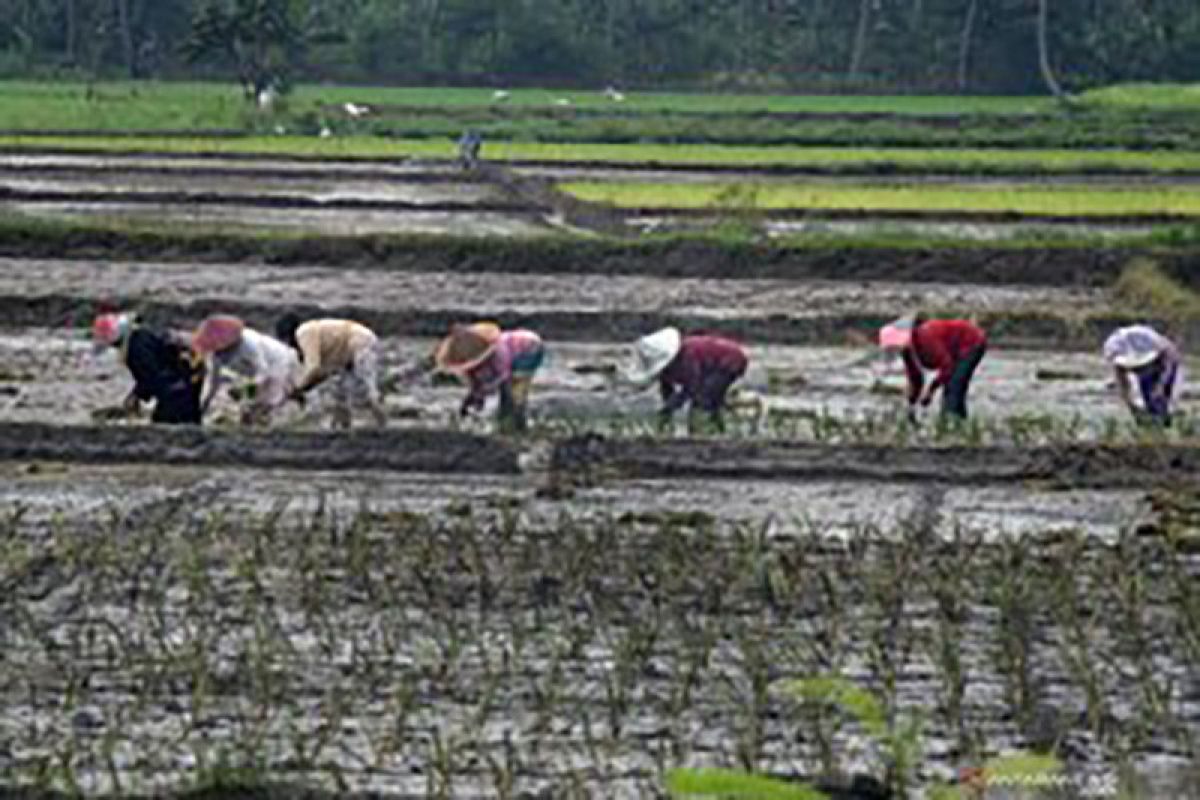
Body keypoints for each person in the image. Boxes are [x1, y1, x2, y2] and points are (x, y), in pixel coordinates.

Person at [624, 327, 749, 433]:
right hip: (712, 368)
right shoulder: (666, 370)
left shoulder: (687, 356)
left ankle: (705, 430)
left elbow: (692, 386)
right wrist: (667, 411)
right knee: (710, 399)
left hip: (730, 361)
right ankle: (719, 426)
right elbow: (667, 390)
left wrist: (671, 407)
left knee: (703, 400)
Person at [275, 313, 387, 429]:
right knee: (341, 393)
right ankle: (344, 427)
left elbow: (313, 368)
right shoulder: (316, 339)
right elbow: (322, 374)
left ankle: (383, 424)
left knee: (365, 388)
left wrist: (299, 387)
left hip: (361, 343)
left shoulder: (303, 333)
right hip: (347, 350)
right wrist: (304, 387)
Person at [91, 312, 205, 425]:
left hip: (178, 382)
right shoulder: (141, 335)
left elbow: (152, 377)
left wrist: (137, 395)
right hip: (188, 375)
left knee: (168, 421)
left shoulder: (136, 349)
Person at [435, 322, 544, 433]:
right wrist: (474, 397)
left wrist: (485, 391)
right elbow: (476, 384)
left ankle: (517, 423)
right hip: (512, 351)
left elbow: (503, 378)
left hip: (528, 350)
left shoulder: (500, 355)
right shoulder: (478, 365)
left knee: (513, 392)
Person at [191, 315, 299, 426]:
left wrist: (244, 391)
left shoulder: (250, 343)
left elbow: (263, 374)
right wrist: (203, 406)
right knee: (249, 402)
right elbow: (213, 381)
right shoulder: (214, 353)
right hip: (253, 373)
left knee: (267, 400)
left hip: (279, 363)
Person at [880, 314, 987, 420]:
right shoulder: (907, 352)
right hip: (955, 351)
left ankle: (953, 421)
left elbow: (947, 366)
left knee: (953, 387)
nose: (896, 351)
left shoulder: (926, 338)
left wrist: (931, 390)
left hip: (973, 342)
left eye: (895, 347)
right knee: (952, 389)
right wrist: (912, 402)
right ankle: (958, 420)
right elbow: (916, 377)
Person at [1102, 324, 1181, 427]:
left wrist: (1161, 386)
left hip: (1164, 362)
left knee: (1158, 399)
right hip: (1149, 363)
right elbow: (1123, 384)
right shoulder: (1116, 350)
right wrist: (1132, 405)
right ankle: (1148, 427)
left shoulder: (1163, 349)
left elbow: (1169, 367)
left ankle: (1164, 422)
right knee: (1147, 397)